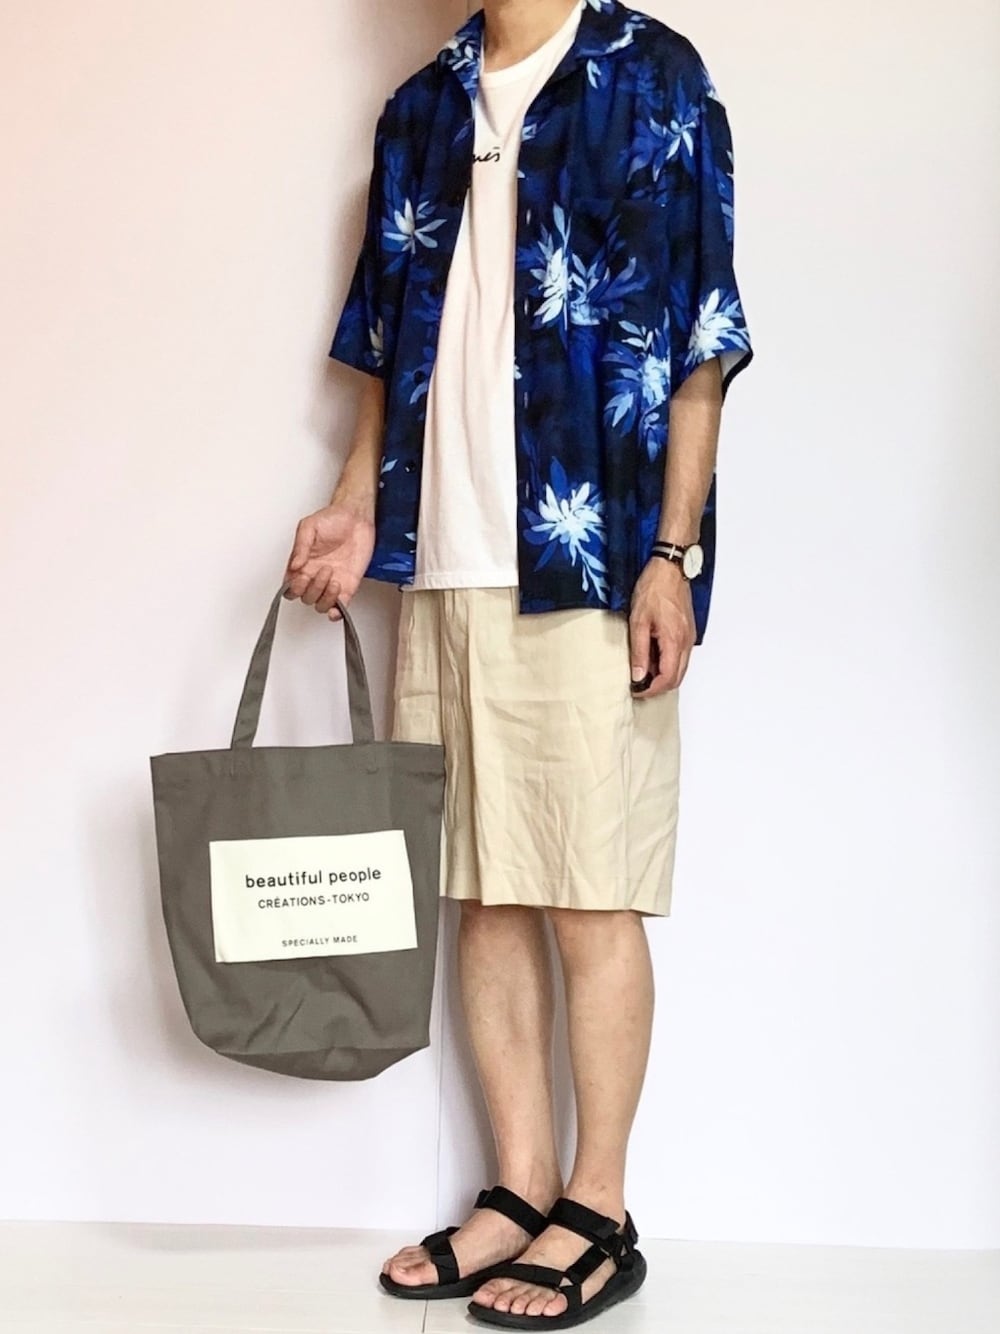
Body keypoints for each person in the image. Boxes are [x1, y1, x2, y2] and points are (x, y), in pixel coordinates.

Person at [283, 1, 753, 1326]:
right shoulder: (422, 106)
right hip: (444, 554)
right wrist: (356, 503)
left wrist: (673, 553)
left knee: (590, 891)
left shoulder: (652, 78)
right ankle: (521, 1186)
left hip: (587, 553)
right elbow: (385, 339)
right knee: (483, 892)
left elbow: (702, 339)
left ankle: (600, 1207)